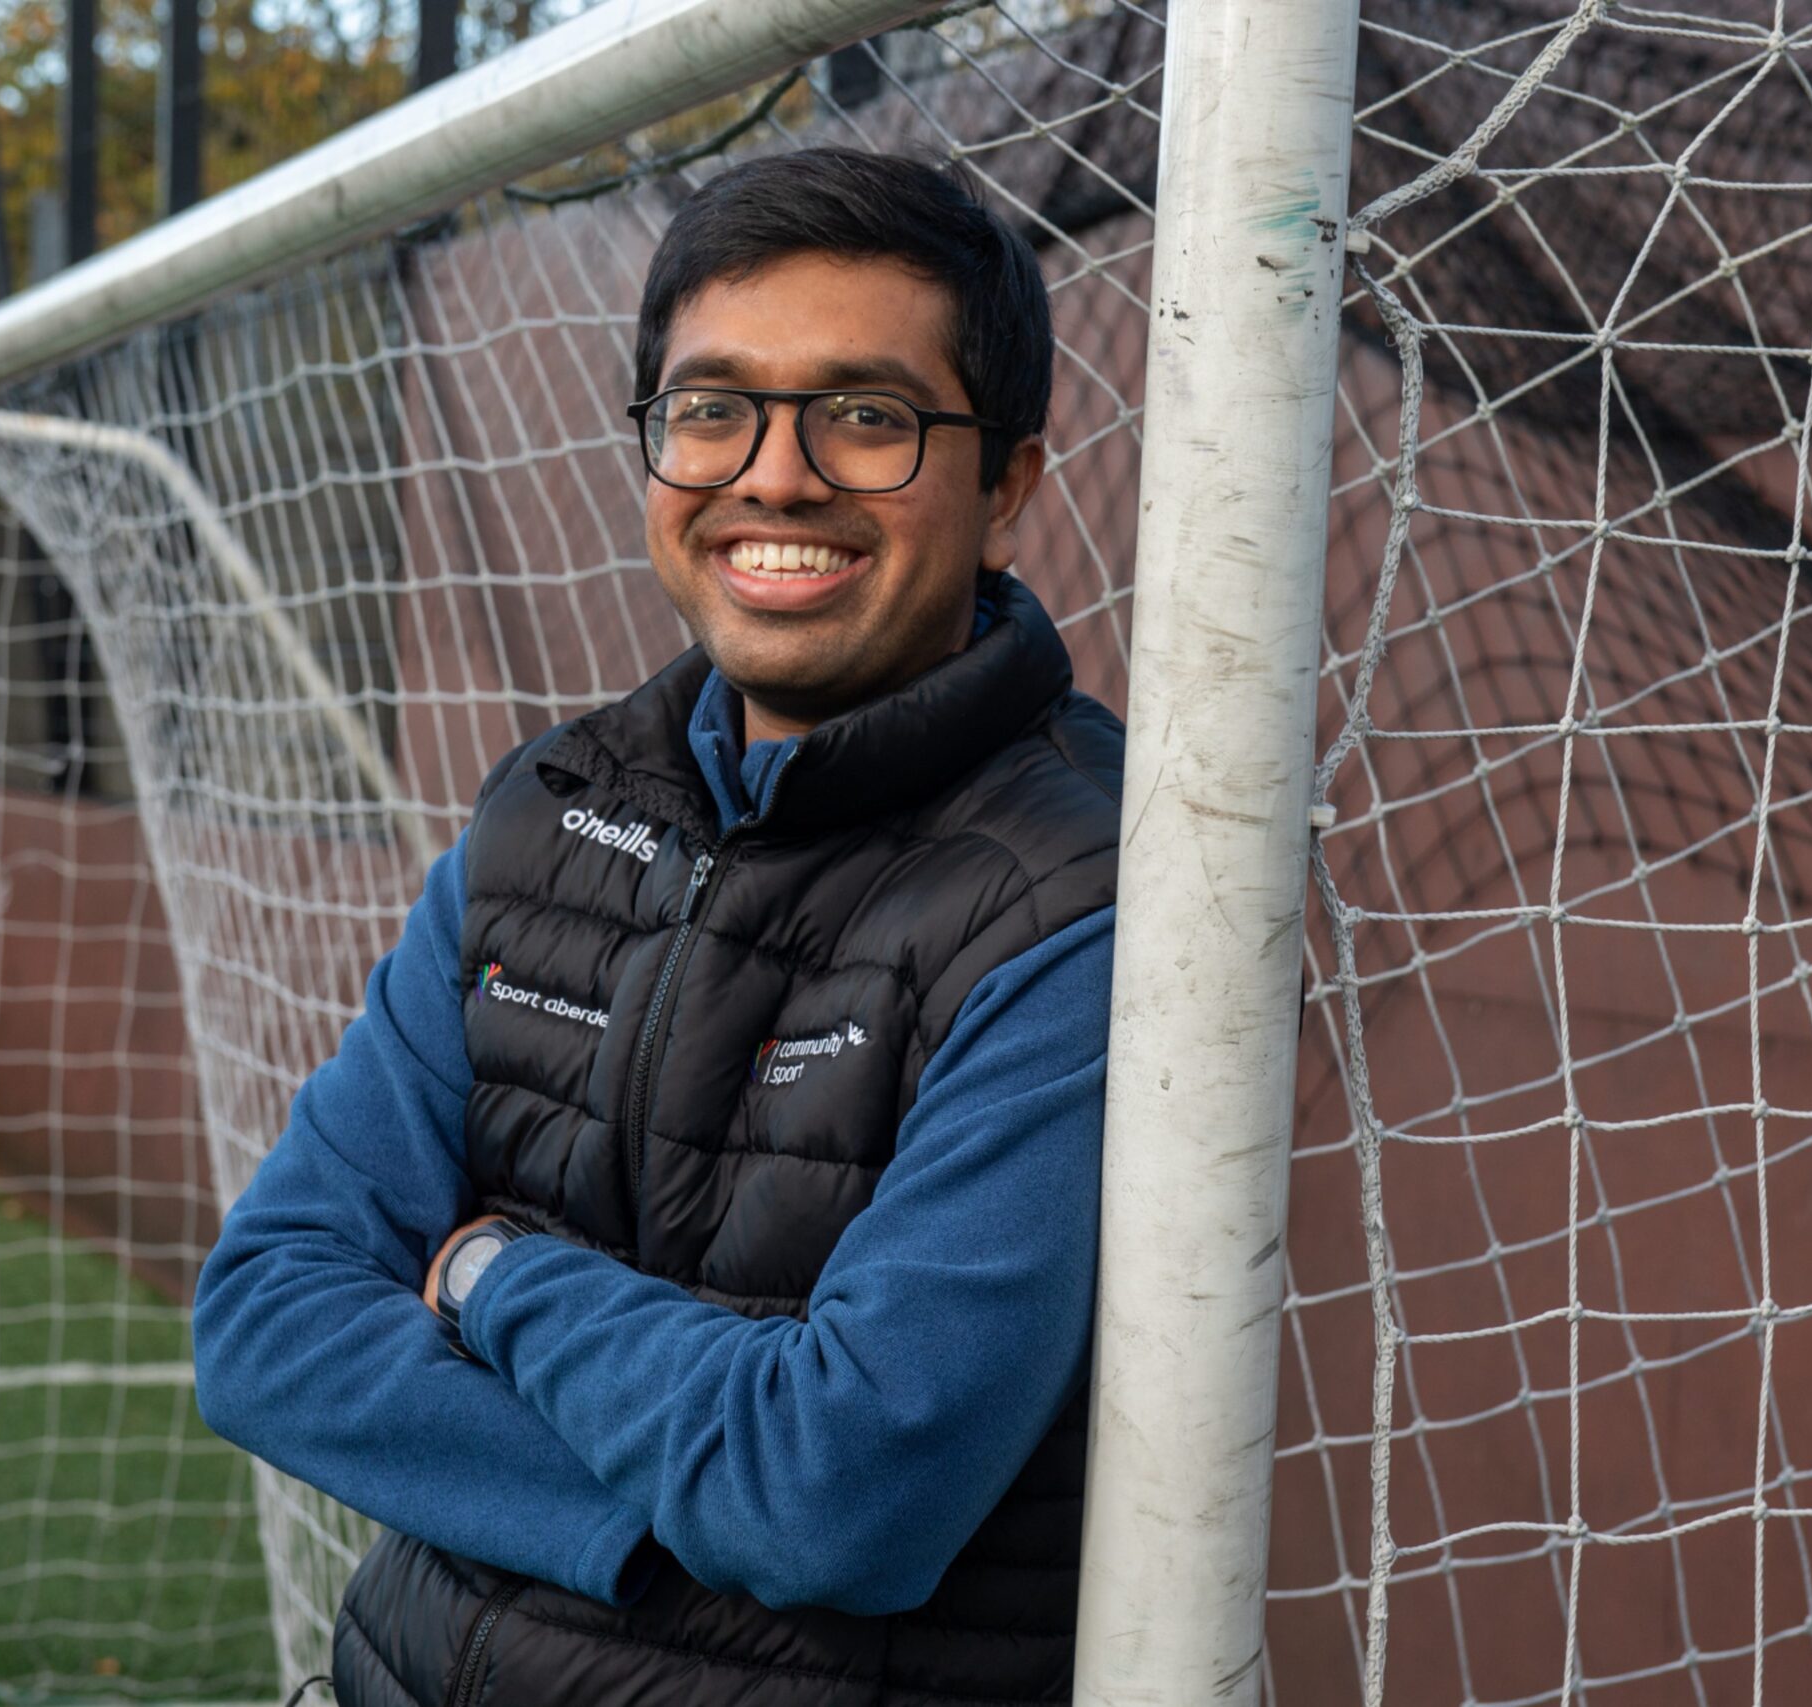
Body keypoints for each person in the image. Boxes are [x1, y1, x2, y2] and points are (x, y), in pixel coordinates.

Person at [192, 146, 1123, 1707]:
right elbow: (266, 1321)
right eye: (713, 408)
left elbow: (838, 1494)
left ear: (1009, 486)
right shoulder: (545, 815)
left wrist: (492, 1279)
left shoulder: (1093, 897)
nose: (774, 474)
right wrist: (665, 1514)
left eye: (867, 416)